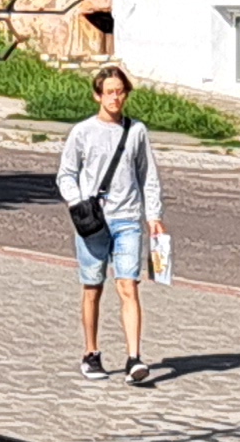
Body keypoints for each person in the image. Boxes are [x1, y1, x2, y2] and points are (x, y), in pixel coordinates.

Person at [57, 63, 163, 383]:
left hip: (128, 219)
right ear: (97, 95)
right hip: (94, 222)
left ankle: (134, 359)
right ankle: (91, 353)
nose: (115, 98)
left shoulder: (137, 131)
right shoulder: (83, 132)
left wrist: (153, 215)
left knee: (128, 285)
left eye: (120, 92)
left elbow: (149, 176)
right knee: (92, 287)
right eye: (109, 93)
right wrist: (77, 202)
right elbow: (66, 173)